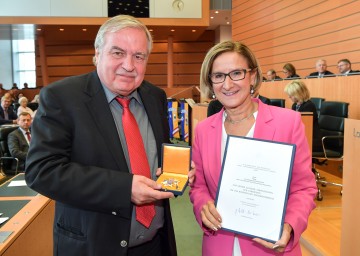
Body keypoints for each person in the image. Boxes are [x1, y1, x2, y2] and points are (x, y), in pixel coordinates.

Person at [25, 15, 194, 256]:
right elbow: (41, 170)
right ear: (97, 53)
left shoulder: (154, 96)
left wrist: (177, 168)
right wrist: (124, 188)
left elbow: (154, 152)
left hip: (155, 244)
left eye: (139, 56)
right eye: (118, 53)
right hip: (93, 245)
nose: (129, 65)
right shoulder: (62, 97)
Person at [189, 41, 317, 255]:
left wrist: (289, 226)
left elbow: (304, 188)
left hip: (271, 247)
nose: (227, 85)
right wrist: (202, 205)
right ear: (211, 83)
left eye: (236, 73)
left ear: (253, 76)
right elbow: (198, 186)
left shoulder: (288, 123)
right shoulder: (203, 130)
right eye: (218, 76)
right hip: (219, 245)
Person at [284, 80, 322, 152]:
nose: (289, 96)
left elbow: (302, 125)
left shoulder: (309, 106)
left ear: (298, 94)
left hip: (312, 139)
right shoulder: (295, 105)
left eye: (291, 94)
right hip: (303, 138)